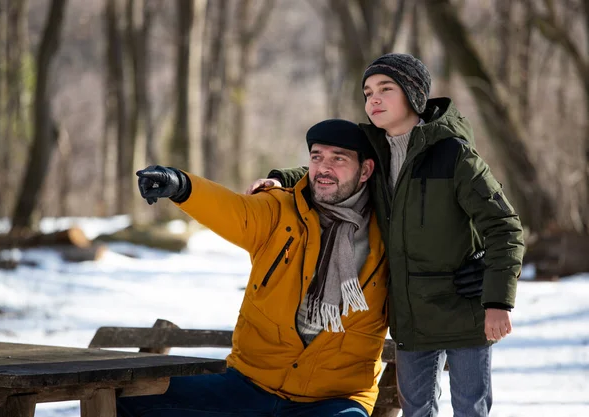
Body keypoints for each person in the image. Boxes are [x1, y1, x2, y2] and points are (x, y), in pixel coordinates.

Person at [247, 53, 525, 417]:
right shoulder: (372, 152)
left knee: (471, 409)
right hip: (408, 316)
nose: (373, 99)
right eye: (367, 92)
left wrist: (498, 302)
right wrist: (281, 178)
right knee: (414, 410)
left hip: (465, 311)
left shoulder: (454, 155)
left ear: (413, 94)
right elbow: (331, 169)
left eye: (385, 89)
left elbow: (504, 227)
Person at [118, 119, 390, 417]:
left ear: (365, 170)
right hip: (248, 386)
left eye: (338, 158)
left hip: (335, 400)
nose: (324, 168)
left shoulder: (389, 237)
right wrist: (181, 186)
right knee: (128, 401)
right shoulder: (279, 211)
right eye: (317, 157)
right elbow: (231, 210)